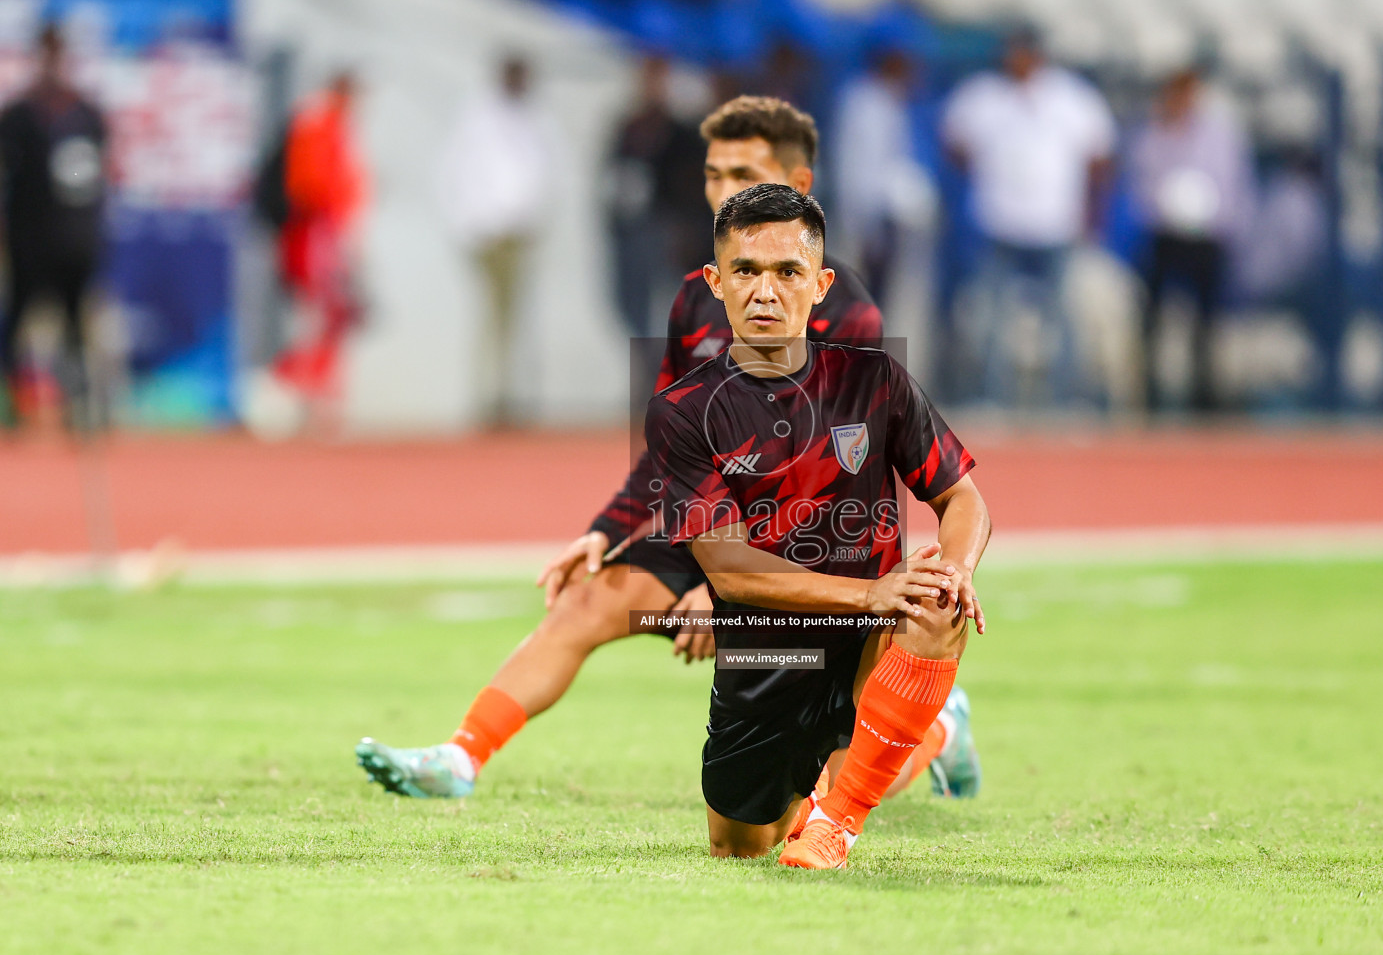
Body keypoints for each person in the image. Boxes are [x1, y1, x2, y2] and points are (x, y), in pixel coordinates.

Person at [357, 96, 978, 805]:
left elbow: (852, 475)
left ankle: (936, 730)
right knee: (587, 601)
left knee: (843, 770)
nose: (720, 191)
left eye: (742, 173)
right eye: (713, 175)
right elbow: (671, 447)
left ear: (796, 185)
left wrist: (729, 598)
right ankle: (461, 756)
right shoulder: (694, 298)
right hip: (716, 528)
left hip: (811, 544)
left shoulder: (847, 311)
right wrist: (606, 530)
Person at [645, 183, 990, 865]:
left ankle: (841, 824)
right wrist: (869, 591)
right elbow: (731, 571)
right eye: (746, 271)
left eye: (787, 272)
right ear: (715, 281)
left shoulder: (877, 381)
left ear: (821, 283)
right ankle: (938, 736)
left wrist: (954, 569)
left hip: (869, 640)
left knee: (935, 605)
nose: (765, 291)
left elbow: (962, 498)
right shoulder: (682, 412)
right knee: (740, 848)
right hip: (771, 654)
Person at [942, 26, 1115, 406]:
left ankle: (1067, 399)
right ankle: (990, 396)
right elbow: (953, 143)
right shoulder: (983, 95)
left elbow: (1100, 156)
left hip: (1055, 223)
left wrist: (1091, 213)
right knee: (992, 315)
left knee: (1063, 316)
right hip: (998, 222)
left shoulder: (1071, 97)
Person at [437, 55, 557, 427]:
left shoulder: (533, 119)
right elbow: (457, 171)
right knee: (494, 315)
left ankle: (507, 394)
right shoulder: (479, 117)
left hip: (516, 231)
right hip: (489, 230)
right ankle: (491, 395)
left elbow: (541, 174)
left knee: (512, 316)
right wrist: (469, 224)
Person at [1126, 66, 1254, 412]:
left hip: (1208, 239)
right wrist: (1164, 211)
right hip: (1164, 236)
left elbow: (1233, 182)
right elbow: (1141, 184)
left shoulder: (1218, 134)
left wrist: (1219, 223)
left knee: (1207, 322)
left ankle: (1205, 397)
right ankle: (1148, 398)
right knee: (1151, 319)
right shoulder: (1151, 133)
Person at [0, 24, 108, 431]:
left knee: (74, 324)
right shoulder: (19, 115)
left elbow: (97, 182)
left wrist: (90, 235)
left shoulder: (85, 114)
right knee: (17, 320)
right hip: (29, 239)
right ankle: (15, 403)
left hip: (72, 241)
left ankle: (78, 403)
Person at [271, 71, 368, 433]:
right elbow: (309, 188)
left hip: (331, 235)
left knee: (331, 320)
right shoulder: (317, 125)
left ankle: (321, 398)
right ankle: (301, 393)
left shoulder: (338, 128)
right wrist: (333, 239)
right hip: (318, 234)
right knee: (317, 318)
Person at [606, 56, 712, 340]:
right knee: (632, 309)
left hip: (668, 238)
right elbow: (615, 179)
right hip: (633, 237)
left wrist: (687, 231)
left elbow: (693, 187)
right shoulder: (630, 128)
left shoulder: (682, 133)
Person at [832, 48, 937, 307]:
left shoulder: (893, 104)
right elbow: (857, 165)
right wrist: (863, 221)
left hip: (887, 210)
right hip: (867, 209)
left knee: (881, 287)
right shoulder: (864, 102)